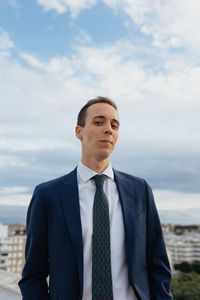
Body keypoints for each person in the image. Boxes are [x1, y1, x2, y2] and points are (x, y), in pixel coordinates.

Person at [19, 97, 173, 300]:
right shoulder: (48, 195)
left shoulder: (140, 190)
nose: (108, 129)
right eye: (99, 122)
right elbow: (32, 276)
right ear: (78, 132)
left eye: (114, 125)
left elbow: (158, 266)